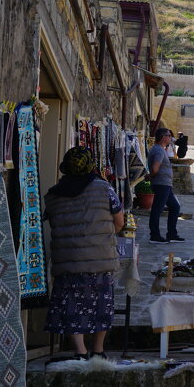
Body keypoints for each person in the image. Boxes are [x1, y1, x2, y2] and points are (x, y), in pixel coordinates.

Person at [43, 146, 125, 359]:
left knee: (71, 305)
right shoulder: (104, 188)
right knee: (101, 304)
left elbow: (53, 223)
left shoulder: (53, 195)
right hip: (100, 259)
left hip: (67, 260)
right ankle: (98, 350)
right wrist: (103, 236)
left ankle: (79, 351)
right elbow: (119, 222)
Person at [147, 128, 184, 243]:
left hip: (165, 184)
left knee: (175, 207)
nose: (170, 138)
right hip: (161, 184)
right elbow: (154, 168)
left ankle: (172, 234)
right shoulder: (158, 150)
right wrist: (151, 175)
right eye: (169, 135)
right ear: (163, 137)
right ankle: (155, 235)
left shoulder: (160, 149)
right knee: (157, 209)